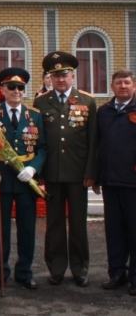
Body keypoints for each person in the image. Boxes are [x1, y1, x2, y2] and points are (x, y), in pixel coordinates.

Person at [0, 67, 46, 290]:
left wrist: (34, 169)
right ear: (3, 90)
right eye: (11, 87)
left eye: (20, 88)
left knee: (27, 229)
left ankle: (24, 272)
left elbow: (43, 149)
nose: (16, 91)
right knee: (0, 229)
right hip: (0, 180)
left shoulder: (34, 116)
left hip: (26, 180)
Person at [33, 52, 97, 287]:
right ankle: (57, 268)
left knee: (79, 223)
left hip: (78, 173)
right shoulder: (41, 102)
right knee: (55, 223)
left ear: (73, 76)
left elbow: (93, 140)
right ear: (50, 77)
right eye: (56, 75)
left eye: (65, 75)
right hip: (52, 172)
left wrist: (91, 171)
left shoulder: (88, 101)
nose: (61, 79)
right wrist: (38, 172)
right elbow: (37, 139)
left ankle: (80, 268)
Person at [94, 69, 136, 296]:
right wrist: (98, 176)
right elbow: (98, 144)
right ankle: (117, 273)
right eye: (119, 83)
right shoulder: (105, 112)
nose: (123, 86)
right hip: (111, 181)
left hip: (132, 180)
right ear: (112, 86)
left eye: (127, 83)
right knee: (115, 231)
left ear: (134, 86)